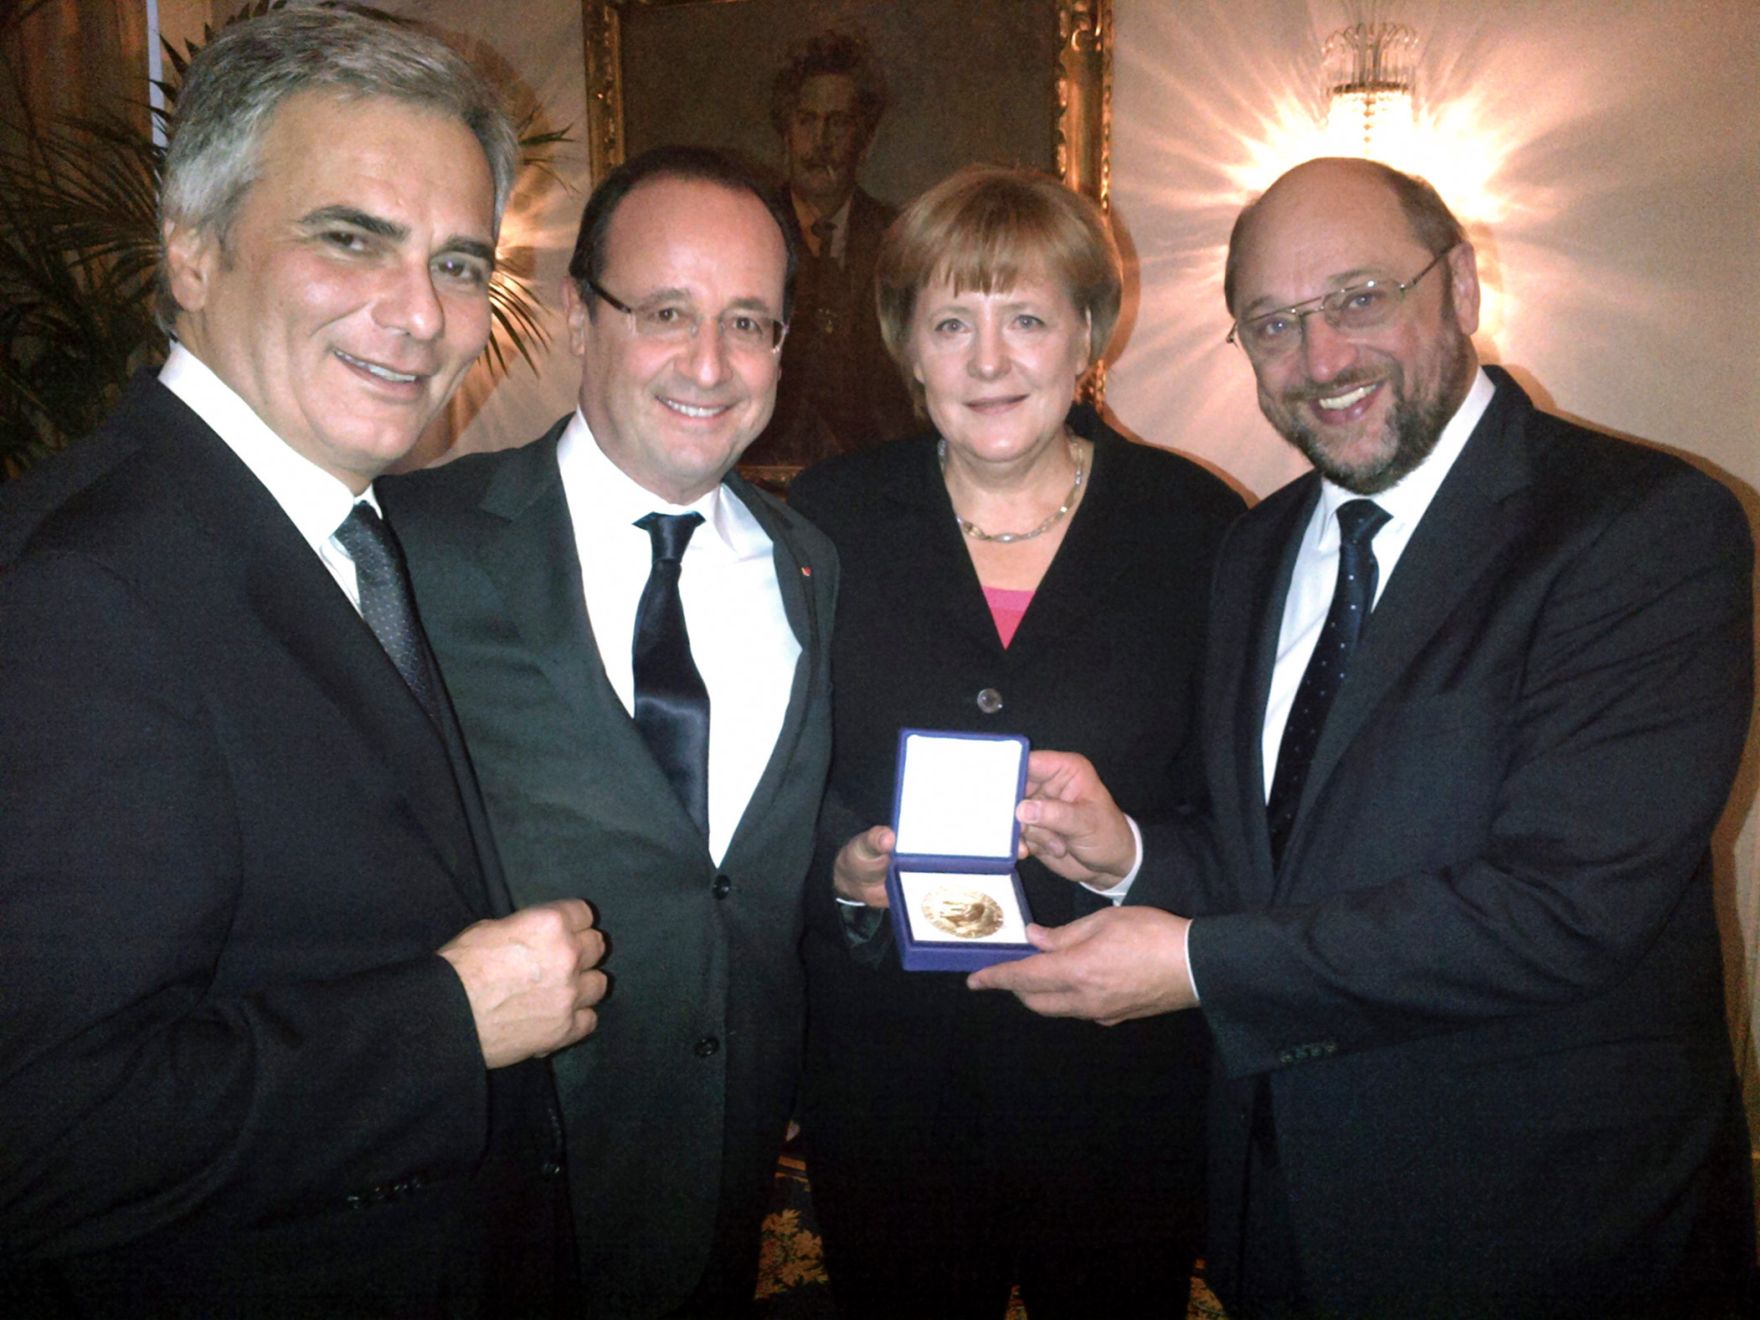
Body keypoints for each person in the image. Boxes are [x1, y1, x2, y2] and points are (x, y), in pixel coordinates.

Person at [971, 156, 1756, 1318]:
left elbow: (1561, 908)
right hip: (1281, 1210)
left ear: (1459, 290)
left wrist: (1191, 965)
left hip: (1544, 1226)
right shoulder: (1257, 547)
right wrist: (1128, 850)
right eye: (1272, 323)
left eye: (1358, 297)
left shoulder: (1640, 529)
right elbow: (1282, 860)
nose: (1321, 358)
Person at [0, 8, 607, 1314]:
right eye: (351, 239)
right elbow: (39, 1131)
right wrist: (447, 1023)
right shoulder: (80, 593)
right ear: (193, 251)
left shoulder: (330, 520)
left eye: (457, 263)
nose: (420, 316)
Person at [380, 146, 837, 1318]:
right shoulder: (417, 545)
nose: (708, 363)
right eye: (666, 312)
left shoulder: (808, 565)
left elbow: (742, 864)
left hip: (731, 1166)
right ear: (581, 317)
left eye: (749, 321)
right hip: (495, 1174)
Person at [786, 165, 1244, 1318]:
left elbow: (1251, 810)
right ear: (907, 346)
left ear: (1088, 331)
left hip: (1117, 1081)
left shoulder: (1196, 529)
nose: (988, 362)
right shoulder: (821, 524)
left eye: (1026, 319)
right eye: (951, 323)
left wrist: (1130, 849)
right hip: (888, 1077)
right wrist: (842, 867)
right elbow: (762, 780)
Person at [742, 28, 914, 467]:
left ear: (866, 138)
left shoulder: (900, 240)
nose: (821, 142)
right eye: (807, 120)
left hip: (873, 484)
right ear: (786, 132)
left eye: (838, 123)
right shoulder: (747, 232)